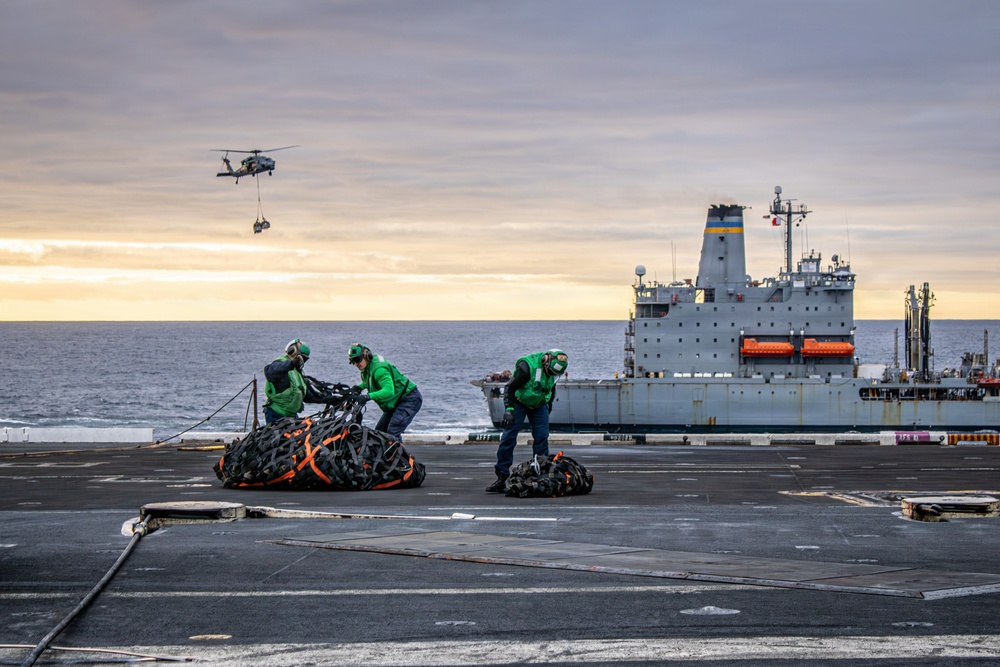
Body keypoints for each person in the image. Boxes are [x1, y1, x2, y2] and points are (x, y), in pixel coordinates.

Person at [486, 349, 568, 493]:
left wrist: (549, 403)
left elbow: (551, 387)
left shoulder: (555, 372)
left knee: (542, 437)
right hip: (519, 401)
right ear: (545, 362)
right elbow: (510, 388)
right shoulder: (526, 367)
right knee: (509, 437)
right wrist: (509, 410)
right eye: (550, 372)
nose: (552, 375)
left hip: (539, 403)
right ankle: (501, 477)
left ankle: (540, 475)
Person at [348, 343, 422, 442]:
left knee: (392, 433)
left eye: (357, 360)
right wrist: (359, 387)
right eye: (353, 362)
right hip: (395, 402)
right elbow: (371, 381)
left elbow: (389, 391)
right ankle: (383, 457)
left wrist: (368, 396)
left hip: (408, 399)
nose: (356, 364)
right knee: (379, 433)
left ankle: (400, 456)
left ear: (366, 356)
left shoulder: (380, 370)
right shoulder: (368, 366)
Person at [262, 339, 325, 424]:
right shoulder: (280, 363)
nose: (302, 361)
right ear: (292, 351)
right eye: (301, 357)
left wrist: (330, 399)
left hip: (291, 416)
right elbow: (269, 372)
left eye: (304, 359)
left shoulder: (297, 373)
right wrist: (291, 364)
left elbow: (307, 396)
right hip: (275, 414)